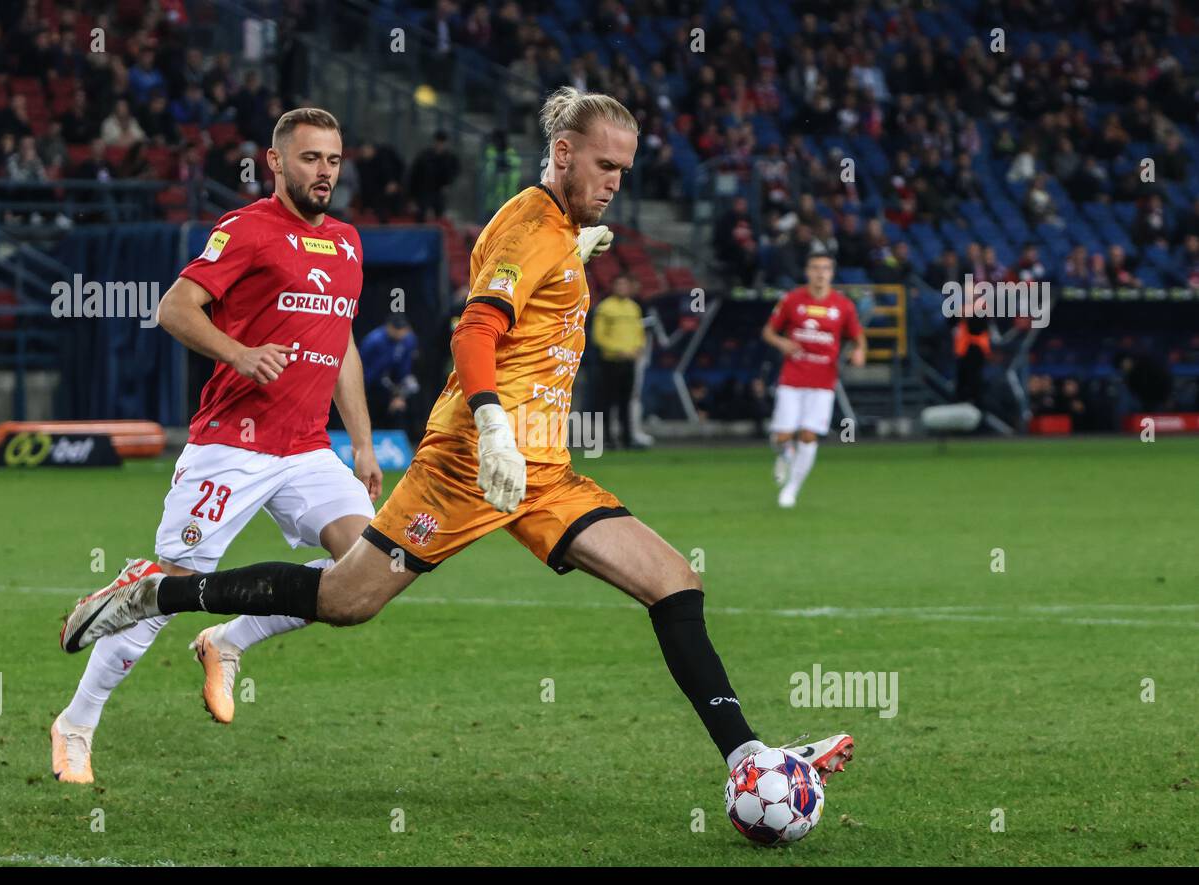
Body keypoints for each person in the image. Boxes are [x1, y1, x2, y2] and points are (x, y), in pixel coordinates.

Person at [59, 88, 855, 802]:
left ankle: (749, 758)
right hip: (472, 462)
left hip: (542, 470)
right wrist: (491, 424)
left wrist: (570, 261)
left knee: (675, 582)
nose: (616, 183)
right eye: (605, 166)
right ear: (564, 153)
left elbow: (491, 297)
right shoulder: (526, 224)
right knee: (347, 600)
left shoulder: (551, 232)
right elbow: (476, 329)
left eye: (626, 169)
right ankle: (156, 595)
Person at [50, 108, 383, 784]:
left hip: (307, 448)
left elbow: (342, 342)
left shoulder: (347, 241)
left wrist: (364, 443)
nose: (324, 172)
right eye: (311, 158)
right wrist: (241, 352)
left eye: (333, 160)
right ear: (277, 162)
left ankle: (229, 640)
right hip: (231, 445)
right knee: (166, 591)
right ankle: (76, 724)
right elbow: (175, 307)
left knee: (371, 571)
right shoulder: (247, 230)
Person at [761, 251, 866, 509]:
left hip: (823, 382)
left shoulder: (843, 306)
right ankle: (785, 454)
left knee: (808, 435)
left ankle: (791, 490)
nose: (820, 273)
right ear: (808, 271)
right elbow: (768, 331)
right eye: (816, 268)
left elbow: (857, 335)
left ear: (831, 273)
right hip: (792, 377)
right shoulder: (792, 300)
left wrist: (860, 350)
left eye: (826, 268)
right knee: (782, 435)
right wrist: (782, 342)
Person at [591, 274, 645, 449]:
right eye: (619, 285)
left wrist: (638, 348)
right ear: (613, 287)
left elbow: (639, 332)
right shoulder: (605, 308)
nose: (622, 288)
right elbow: (598, 336)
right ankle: (608, 439)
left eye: (625, 285)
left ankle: (627, 438)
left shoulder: (634, 308)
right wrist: (617, 350)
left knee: (626, 402)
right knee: (608, 401)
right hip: (611, 360)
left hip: (629, 360)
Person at [358, 315, 419, 431]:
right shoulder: (373, 341)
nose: (399, 332)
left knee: (409, 396)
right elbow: (363, 367)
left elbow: (405, 370)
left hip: (393, 382)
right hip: (371, 383)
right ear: (389, 327)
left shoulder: (409, 340)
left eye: (402, 329)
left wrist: (399, 395)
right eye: (396, 328)